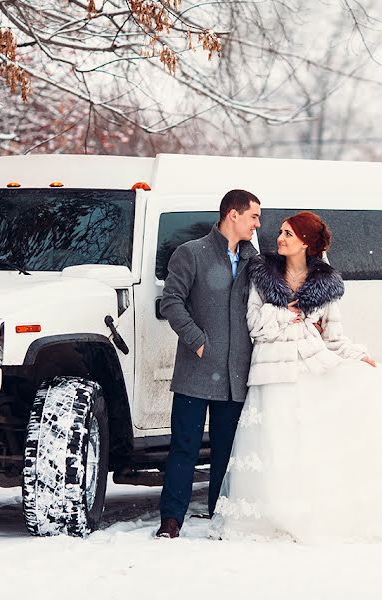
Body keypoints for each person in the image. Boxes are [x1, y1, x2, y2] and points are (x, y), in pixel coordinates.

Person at [209, 211, 382, 543]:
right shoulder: (262, 275)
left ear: (306, 242)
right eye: (280, 232)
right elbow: (255, 325)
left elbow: (334, 339)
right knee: (274, 448)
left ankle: (304, 514)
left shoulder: (326, 285)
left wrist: (358, 356)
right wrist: (285, 312)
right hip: (271, 373)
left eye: (288, 234)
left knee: (302, 448)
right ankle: (273, 516)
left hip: (309, 371)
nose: (279, 238)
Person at [155, 189, 261, 539]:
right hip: (196, 373)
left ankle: (221, 515)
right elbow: (171, 301)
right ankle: (171, 519)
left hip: (235, 375)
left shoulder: (253, 260)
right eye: (253, 216)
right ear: (233, 214)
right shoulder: (192, 253)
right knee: (184, 447)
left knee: (227, 451)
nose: (257, 223)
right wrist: (197, 341)